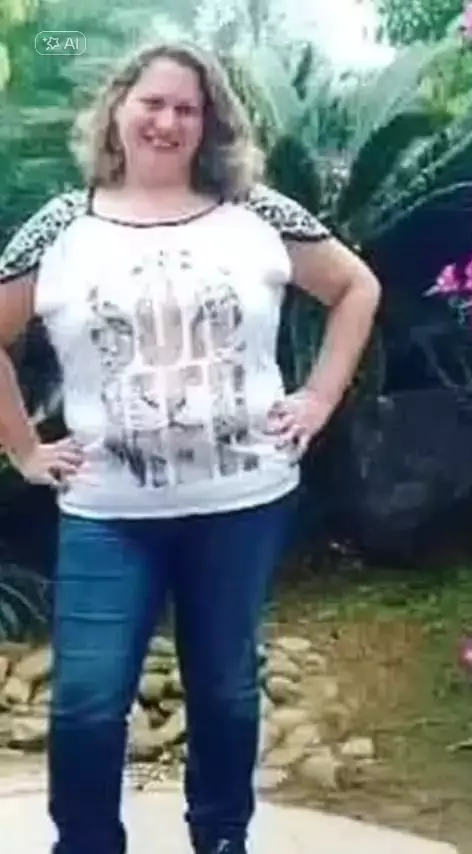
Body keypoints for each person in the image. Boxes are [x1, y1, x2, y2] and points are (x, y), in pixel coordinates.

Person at [0, 41, 380, 854]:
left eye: (187, 108)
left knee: (226, 690)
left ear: (209, 124)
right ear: (117, 108)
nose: (167, 121)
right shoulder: (62, 226)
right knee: (87, 702)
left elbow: (356, 286)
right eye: (153, 102)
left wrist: (318, 397)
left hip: (241, 505)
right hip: (107, 512)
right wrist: (26, 450)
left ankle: (221, 838)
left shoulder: (257, 212)